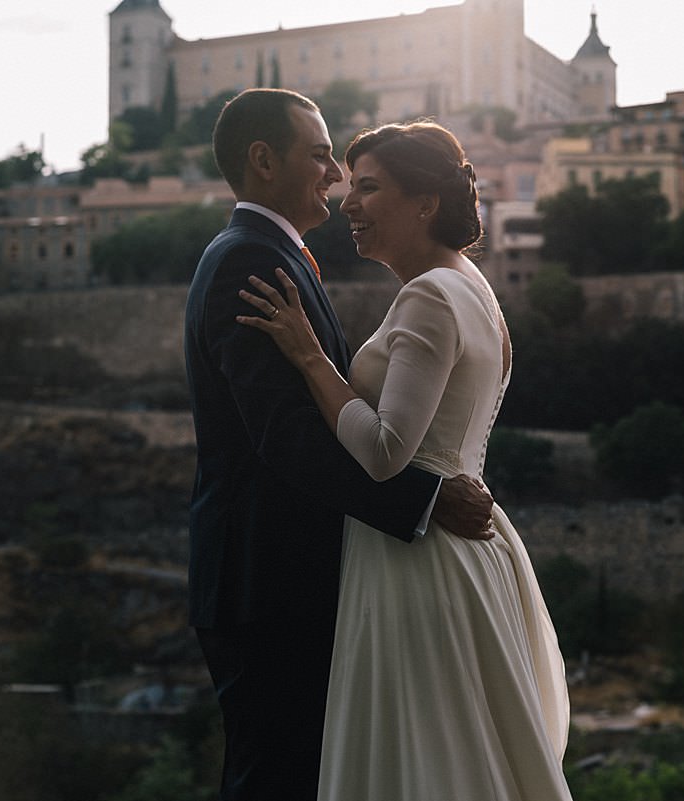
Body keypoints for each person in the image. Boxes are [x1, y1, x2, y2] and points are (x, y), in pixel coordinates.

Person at [236, 120, 572, 800]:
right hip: (462, 546)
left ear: (424, 203)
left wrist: (310, 358)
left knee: (421, 759)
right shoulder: (472, 285)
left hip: (419, 561)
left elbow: (387, 453)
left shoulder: (429, 295)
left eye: (368, 187)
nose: (349, 203)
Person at [183, 89, 495, 801]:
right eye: (321, 155)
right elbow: (285, 437)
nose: (334, 176)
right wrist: (425, 499)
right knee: (279, 776)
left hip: (288, 576)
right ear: (264, 161)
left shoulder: (272, 255)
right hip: (267, 580)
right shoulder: (247, 262)